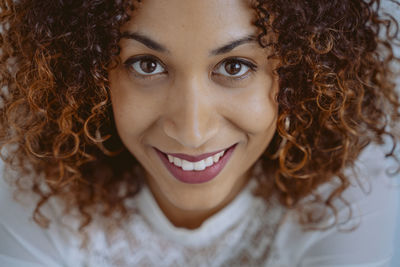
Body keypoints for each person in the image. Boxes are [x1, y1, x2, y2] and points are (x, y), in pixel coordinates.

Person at [0, 0, 399, 266]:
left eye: (234, 66)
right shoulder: (39, 186)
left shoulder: (352, 189)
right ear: (88, 76)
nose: (191, 133)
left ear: (300, 75)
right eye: (147, 65)